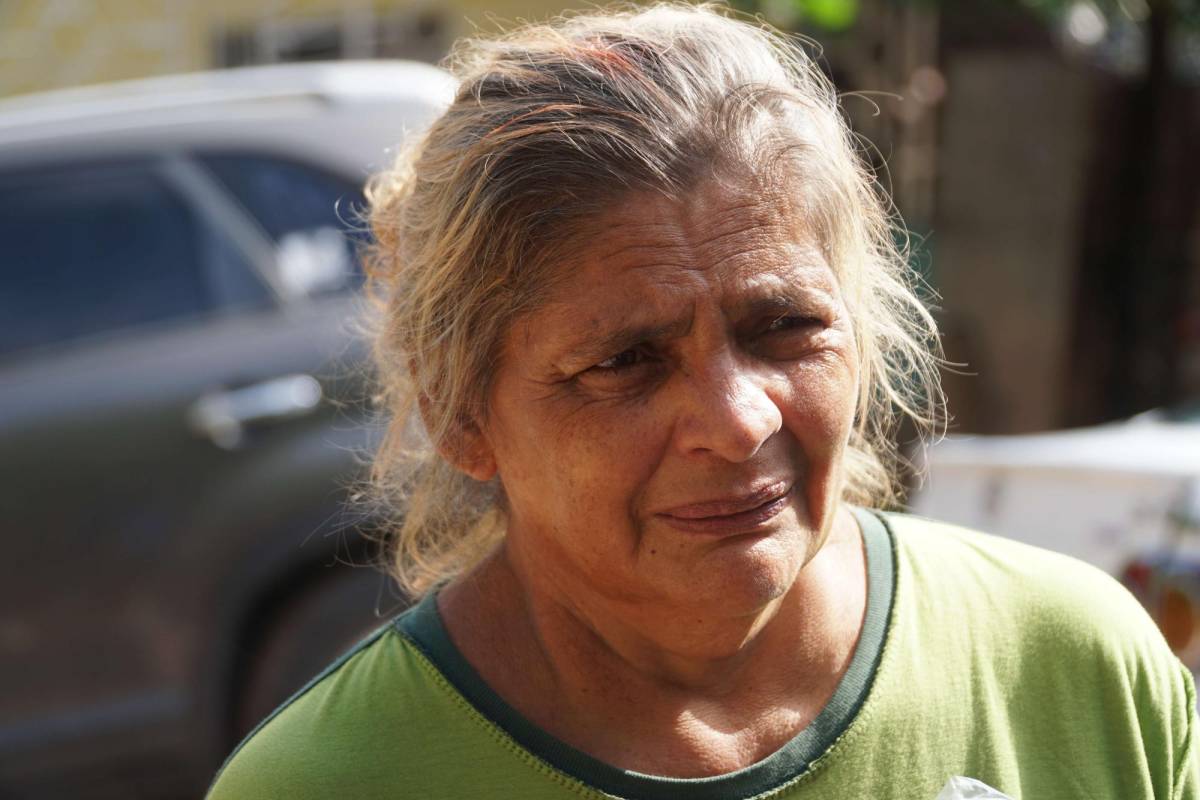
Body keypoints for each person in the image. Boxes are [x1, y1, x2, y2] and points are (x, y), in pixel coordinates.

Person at [207, 5, 1199, 798]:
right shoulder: (333, 781)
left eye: (785, 326)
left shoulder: (1071, 666)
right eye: (627, 360)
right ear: (462, 410)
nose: (740, 419)